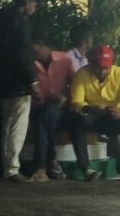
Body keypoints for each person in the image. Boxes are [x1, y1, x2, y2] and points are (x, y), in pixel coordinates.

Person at [0, 0, 41, 183]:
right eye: (34, 4)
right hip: (18, 83)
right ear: (27, 2)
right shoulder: (21, 23)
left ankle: (6, 165)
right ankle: (12, 168)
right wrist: (33, 81)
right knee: (17, 125)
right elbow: (23, 54)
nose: (35, 9)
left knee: (6, 124)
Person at [68, 45, 120, 183]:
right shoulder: (81, 74)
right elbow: (76, 102)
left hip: (112, 117)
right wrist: (90, 108)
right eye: (99, 67)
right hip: (91, 115)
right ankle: (86, 168)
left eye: (106, 68)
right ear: (92, 63)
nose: (103, 71)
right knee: (75, 120)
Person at [31, 41, 74, 182]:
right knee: (44, 116)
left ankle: (41, 167)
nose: (34, 55)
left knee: (43, 119)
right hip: (39, 106)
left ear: (45, 47)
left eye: (36, 51)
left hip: (61, 107)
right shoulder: (31, 63)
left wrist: (65, 97)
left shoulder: (64, 60)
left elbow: (75, 84)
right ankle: (52, 162)